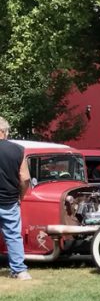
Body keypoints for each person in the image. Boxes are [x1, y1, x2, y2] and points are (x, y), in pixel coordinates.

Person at [0, 117, 32, 280]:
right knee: (13, 234)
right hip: (9, 200)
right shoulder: (18, 150)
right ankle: (19, 270)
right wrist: (20, 196)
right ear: (4, 132)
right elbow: (25, 178)